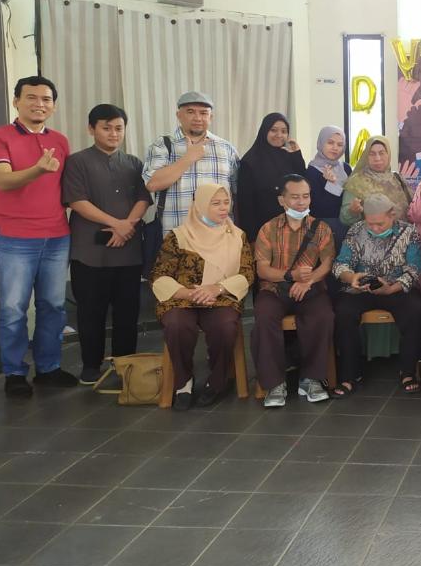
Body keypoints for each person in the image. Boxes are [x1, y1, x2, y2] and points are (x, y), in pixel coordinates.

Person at [0, 76, 78, 397]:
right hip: (14, 237)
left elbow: (67, 188)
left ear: (53, 106)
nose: (39, 104)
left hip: (57, 235)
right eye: (31, 97)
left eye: (46, 99)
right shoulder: (1, 136)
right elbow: (3, 181)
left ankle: (48, 367)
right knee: (13, 309)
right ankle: (15, 372)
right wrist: (38, 170)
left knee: (53, 306)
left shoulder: (60, 140)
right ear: (16, 101)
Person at [62, 104, 153, 384]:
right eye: (106, 128)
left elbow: (144, 198)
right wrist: (118, 224)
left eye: (118, 128)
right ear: (92, 129)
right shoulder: (77, 162)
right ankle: (91, 365)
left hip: (128, 251)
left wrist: (127, 226)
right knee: (91, 311)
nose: (113, 134)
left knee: (128, 312)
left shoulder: (134, 163)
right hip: (89, 252)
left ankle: (126, 364)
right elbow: (77, 201)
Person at [150, 184, 254, 410]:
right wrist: (191, 293)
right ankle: (183, 381)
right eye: (215, 204)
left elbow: (247, 274)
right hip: (182, 297)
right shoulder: (178, 236)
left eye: (226, 202)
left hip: (220, 297)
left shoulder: (237, 236)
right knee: (177, 325)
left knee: (225, 326)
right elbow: (160, 276)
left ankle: (217, 381)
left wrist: (216, 289)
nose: (223, 208)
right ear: (200, 206)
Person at [251, 175, 336, 407]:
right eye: (295, 197)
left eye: (305, 196)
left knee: (323, 315)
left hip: (310, 289)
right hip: (274, 289)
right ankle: (274, 383)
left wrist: (308, 282)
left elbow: (327, 264)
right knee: (264, 316)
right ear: (282, 200)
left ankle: (312, 379)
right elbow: (262, 270)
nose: (301, 202)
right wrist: (291, 276)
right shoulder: (268, 229)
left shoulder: (321, 228)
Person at [331, 193, 421, 398]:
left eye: (380, 224)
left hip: (395, 288)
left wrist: (391, 288)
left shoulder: (408, 232)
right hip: (360, 289)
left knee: (415, 310)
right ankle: (349, 375)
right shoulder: (356, 230)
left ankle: (408, 372)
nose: (374, 228)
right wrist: (351, 277)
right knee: (343, 312)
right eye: (370, 223)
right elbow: (340, 264)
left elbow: (414, 268)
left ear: (392, 215)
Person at [142, 92, 241, 235]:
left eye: (203, 113)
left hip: (218, 235)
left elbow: (236, 193)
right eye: (190, 112)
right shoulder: (162, 145)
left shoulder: (226, 148)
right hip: (176, 235)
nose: (197, 118)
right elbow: (152, 184)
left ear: (211, 117)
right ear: (179, 115)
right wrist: (188, 158)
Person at [237, 113, 304, 250]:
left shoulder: (288, 156)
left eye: (284, 131)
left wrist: (297, 155)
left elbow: (302, 184)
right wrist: (252, 237)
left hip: (293, 227)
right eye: (273, 130)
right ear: (264, 131)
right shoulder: (250, 161)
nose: (279, 135)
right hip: (263, 229)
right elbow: (245, 203)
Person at [340, 136, 411, 229]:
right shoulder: (356, 182)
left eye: (381, 153)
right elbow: (344, 219)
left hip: (402, 235)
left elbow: (412, 211)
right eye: (372, 154)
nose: (377, 158)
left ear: (388, 154)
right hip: (370, 235)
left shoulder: (397, 178)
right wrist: (352, 211)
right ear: (366, 156)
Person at [306, 125, 351, 224]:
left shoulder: (346, 168)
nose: (335, 148)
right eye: (330, 142)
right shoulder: (312, 171)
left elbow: (349, 200)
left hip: (347, 224)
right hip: (321, 226)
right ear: (321, 143)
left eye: (340, 145)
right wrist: (331, 184)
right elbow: (318, 208)